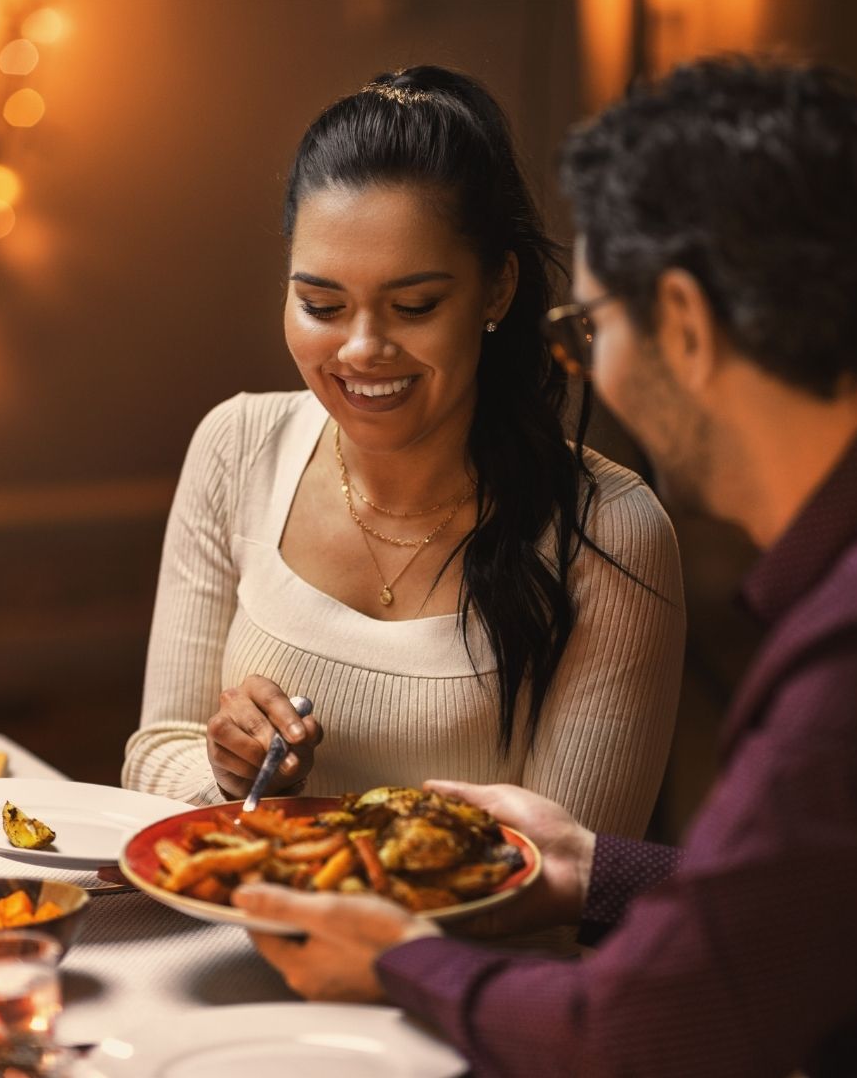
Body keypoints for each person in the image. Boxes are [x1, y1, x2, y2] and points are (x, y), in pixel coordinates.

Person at [233, 56, 857, 1077]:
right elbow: (806, 904)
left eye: (591, 326)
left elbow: (649, 1033)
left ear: (680, 320)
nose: (593, 369)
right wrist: (593, 870)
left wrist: (405, 962)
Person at [121, 67, 685, 875]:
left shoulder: (610, 534)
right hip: (221, 957)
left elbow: (560, 886)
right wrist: (226, 773)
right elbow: (149, 758)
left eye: (413, 307)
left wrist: (328, 851)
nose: (359, 350)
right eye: (321, 305)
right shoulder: (236, 446)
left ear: (497, 289)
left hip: (457, 994)